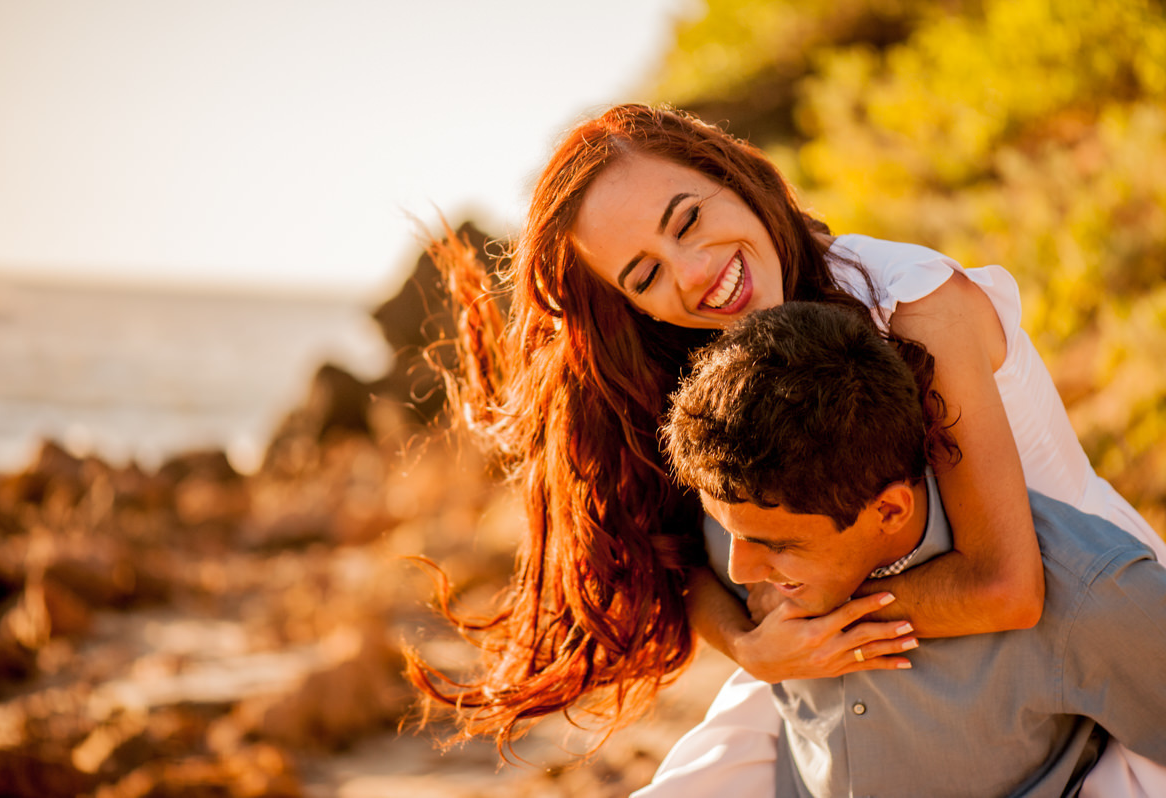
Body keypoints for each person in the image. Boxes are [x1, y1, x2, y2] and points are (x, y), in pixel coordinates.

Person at [403, 104, 1166, 786]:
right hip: (841, 657)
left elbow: (1008, 585)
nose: (697, 275)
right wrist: (752, 644)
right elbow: (678, 557)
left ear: (730, 173)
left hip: (1069, 632)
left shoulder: (914, 307)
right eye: (647, 274)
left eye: (688, 220)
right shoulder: (706, 357)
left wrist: (803, 622)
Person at [658, 301, 1166, 797]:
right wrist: (745, 646)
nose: (741, 571)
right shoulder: (750, 506)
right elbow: (688, 575)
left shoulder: (1089, 597)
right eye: (728, 531)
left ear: (890, 510)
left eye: (777, 547)